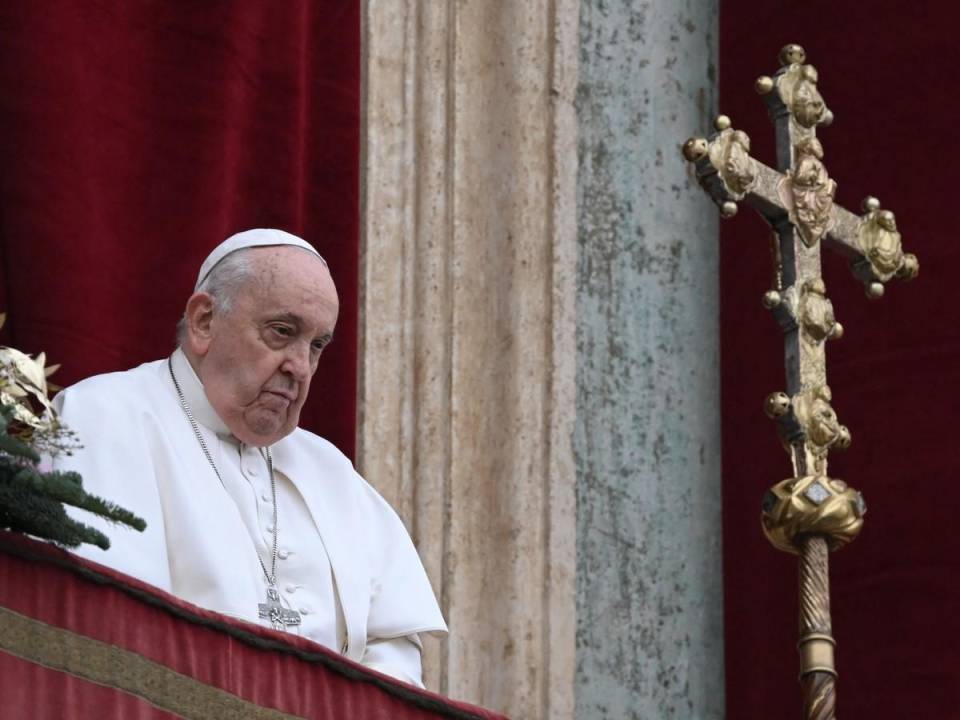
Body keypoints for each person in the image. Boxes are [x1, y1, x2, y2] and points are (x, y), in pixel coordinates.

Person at [53, 229, 446, 687]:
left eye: (317, 345)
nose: (300, 366)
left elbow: (394, 651)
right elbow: (110, 632)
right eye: (282, 332)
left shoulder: (332, 472)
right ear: (204, 321)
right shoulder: (104, 418)